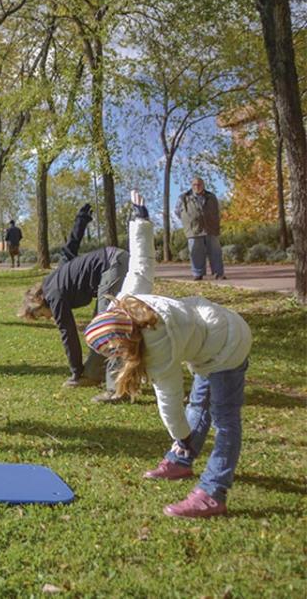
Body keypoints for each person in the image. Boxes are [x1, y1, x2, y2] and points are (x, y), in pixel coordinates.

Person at [83, 190, 251, 518]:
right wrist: (140, 218)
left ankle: (213, 492)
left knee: (224, 417)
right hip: (208, 340)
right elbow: (141, 261)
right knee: (199, 404)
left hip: (229, 345)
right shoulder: (128, 301)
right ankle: (180, 461)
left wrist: (181, 435)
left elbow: (168, 401)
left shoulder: (157, 348)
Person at [19, 204, 130, 395]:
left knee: (105, 327)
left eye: (40, 315)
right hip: (116, 260)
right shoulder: (54, 280)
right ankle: (96, 374)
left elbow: (68, 333)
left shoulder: (54, 295)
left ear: (38, 303)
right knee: (101, 325)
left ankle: (113, 388)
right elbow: (69, 249)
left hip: (112, 265)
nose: (46, 318)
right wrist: (81, 220)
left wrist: (75, 372)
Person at [175, 177, 225, 281]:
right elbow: (177, 212)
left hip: (211, 228)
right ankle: (198, 274)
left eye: (199, 184)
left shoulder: (211, 196)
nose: (197, 186)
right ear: (191, 186)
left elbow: (217, 210)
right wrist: (189, 220)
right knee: (195, 252)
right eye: (194, 185)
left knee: (215, 251)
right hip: (194, 229)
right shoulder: (183, 197)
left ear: (203, 185)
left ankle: (218, 273)